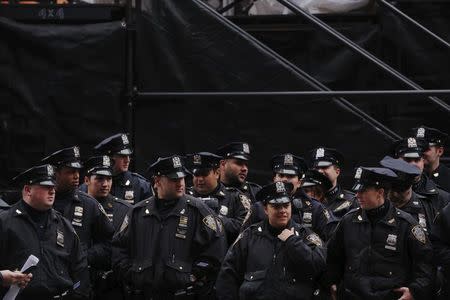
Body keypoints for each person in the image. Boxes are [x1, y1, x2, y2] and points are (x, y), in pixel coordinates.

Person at [112, 155, 227, 300]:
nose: (180, 183)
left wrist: (193, 276)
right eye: (174, 179)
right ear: (157, 181)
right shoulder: (138, 213)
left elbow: (216, 250)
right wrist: (131, 275)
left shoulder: (198, 211)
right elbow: (119, 248)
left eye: (182, 178)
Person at [327, 166, 433, 300]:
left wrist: (415, 290)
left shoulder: (406, 224)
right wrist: (332, 282)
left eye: (363, 191)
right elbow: (333, 257)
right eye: (357, 191)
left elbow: (426, 263)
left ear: (380, 192)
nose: (357, 195)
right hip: (353, 295)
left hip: (390, 295)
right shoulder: (348, 221)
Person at [216, 181, 326, 300]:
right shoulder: (249, 236)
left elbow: (319, 266)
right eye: (276, 206)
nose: (283, 210)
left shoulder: (305, 235)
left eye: (286, 205)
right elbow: (228, 275)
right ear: (266, 209)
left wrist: (293, 242)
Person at [0, 164, 90, 299]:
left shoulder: (63, 224)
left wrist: (79, 295)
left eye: (53, 187)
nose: (52, 191)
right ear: (28, 189)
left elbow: (80, 267)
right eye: (46, 187)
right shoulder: (5, 222)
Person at [41, 146, 114, 289]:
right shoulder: (42, 201)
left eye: (78, 171)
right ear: (56, 173)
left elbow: (109, 242)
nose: (76, 176)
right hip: (45, 281)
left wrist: (85, 256)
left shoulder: (89, 204)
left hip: (77, 281)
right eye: (71, 172)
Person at [244, 154, 336, 242]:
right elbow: (243, 240)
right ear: (274, 179)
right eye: (280, 175)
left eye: (290, 176)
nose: (284, 179)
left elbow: (331, 242)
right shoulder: (259, 208)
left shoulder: (316, 209)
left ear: (300, 182)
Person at [84, 155, 131, 300]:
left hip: (112, 285)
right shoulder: (74, 206)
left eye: (109, 179)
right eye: (99, 179)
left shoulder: (125, 210)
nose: (105, 184)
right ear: (86, 180)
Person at [186, 152, 250, 244]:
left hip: (223, 254)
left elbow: (245, 228)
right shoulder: (186, 196)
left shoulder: (235, 198)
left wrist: (211, 217)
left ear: (217, 173)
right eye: (196, 174)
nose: (199, 179)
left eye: (204, 174)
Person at [392, 136, 450, 212]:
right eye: (407, 160)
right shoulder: (383, 192)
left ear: (423, 161)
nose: (413, 164)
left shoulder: (441, 198)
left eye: (417, 160)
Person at [380, 155, 435, 233]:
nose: (395, 195)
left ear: (410, 186)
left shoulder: (427, 207)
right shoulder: (374, 205)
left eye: (400, 191)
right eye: (392, 190)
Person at [92, 133, 152, 204]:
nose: (127, 160)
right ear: (110, 157)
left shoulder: (141, 186)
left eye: (128, 156)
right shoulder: (92, 184)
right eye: (122, 156)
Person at [310, 147, 358, 219]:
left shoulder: (351, 202)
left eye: (324, 167)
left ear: (337, 171)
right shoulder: (305, 199)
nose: (319, 171)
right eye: (316, 168)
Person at [412, 125, 450, 192]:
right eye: (417, 148)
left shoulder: (447, 177)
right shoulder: (408, 176)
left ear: (440, 151)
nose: (420, 152)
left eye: (425, 149)